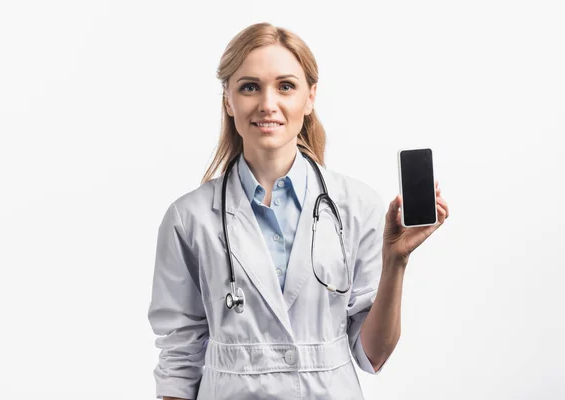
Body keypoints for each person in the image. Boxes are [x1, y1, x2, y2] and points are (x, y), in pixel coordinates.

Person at [147, 22, 449, 400]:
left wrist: (396, 262)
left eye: (285, 86)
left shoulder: (357, 207)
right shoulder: (188, 219)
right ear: (228, 99)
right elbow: (179, 358)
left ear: (310, 98)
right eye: (249, 87)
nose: (267, 104)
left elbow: (373, 354)